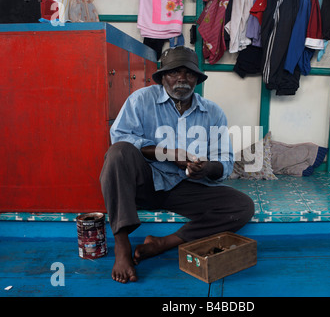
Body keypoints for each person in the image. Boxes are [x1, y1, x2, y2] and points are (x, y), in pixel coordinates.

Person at [100, 46, 255, 283]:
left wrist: (206, 168)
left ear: (197, 79)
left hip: (185, 188)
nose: (182, 79)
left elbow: (225, 160)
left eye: (189, 74)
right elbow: (120, 137)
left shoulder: (212, 112)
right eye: (174, 73)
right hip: (146, 182)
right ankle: (122, 246)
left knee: (242, 206)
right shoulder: (141, 100)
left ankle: (164, 243)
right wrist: (166, 153)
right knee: (118, 153)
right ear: (163, 77)